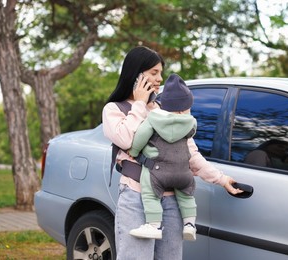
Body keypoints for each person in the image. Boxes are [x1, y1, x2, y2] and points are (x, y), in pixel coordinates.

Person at [102, 45, 242, 260]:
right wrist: (139, 103)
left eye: (161, 72)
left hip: (172, 200)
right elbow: (126, 139)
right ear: (136, 74)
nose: (160, 79)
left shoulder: (164, 109)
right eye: (153, 72)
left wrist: (221, 179)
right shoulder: (114, 109)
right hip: (136, 197)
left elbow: (188, 154)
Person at [129, 73, 198, 241]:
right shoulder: (191, 123)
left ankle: (154, 225)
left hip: (158, 172)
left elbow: (140, 138)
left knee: (150, 194)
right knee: (187, 196)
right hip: (183, 172)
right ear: (184, 108)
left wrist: (134, 152)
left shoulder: (153, 119)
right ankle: (189, 224)